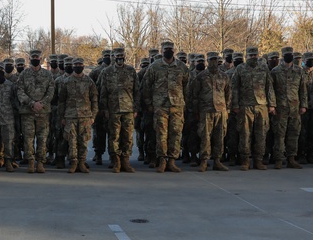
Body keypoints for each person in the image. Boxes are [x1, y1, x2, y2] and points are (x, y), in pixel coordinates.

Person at [140, 41, 189, 173]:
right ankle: (161, 160)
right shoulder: (154, 67)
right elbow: (146, 86)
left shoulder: (181, 67)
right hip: (160, 106)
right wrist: (149, 103)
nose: (168, 51)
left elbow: (187, 86)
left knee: (176, 134)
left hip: (177, 106)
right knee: (161, 134)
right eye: (166, 49)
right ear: (161, 51)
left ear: (174, 50)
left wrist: (185, 103)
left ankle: (172, 161)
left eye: (170, 49)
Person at [231, 46, 276, 170]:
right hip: (245, 106)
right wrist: (235, 105)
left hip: (262, 106)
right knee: (245, 134)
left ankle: (258, 160)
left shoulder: (264, 68)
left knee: (261, 134)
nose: (253, 57)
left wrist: (272, 104)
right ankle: (245, 161)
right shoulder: (240, 68)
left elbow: (269, 87)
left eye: (255, 55)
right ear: (246, 56)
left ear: (258, 55)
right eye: (250, 55)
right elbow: (234, 88)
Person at [188, 52, 231, 172]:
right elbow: (194, 95)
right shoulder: (201, 77)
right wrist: (196, 110)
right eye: (211, 59)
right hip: (205, 110)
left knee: (220, 136)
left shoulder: (224, 76)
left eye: (215, 59)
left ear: (218, 60)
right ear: (207, 61)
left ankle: (217, 160)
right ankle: (204, 161)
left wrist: (227, 108)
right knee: (205, 136)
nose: (213, 62)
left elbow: (228, 93)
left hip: (220, 110)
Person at [98, 46, 139, 172]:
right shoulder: (107, 72)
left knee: (127, 136)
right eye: (117, 56)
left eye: (122, 56)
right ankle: (116, 161)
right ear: (113, 57)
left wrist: (136, 107)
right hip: (113, 109)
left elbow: (137, 90)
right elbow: (103, 92)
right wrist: (104, 108)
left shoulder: (131, 71)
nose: (120, 58)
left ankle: (125, 161)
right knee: (114, 136)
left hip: (128, 109)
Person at [15, 49, 55, 173]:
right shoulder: (24, 74)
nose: (35, 59)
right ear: (29, 59)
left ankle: (40, 162)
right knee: (28, 138)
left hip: (43, 111)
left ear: (41, 59)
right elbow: (19, 90)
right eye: (33, 57)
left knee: (43, 138)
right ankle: (31, 162)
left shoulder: (48, 75)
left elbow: (51, 91)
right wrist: (32, 103)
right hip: (28, 111)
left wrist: (41, 103)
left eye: (37, 57)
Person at [270, 46, 308, 169]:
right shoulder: (275, 71)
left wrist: (303, 105)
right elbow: (271, 90)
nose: (289, 56)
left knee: (294, 133)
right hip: (280, 108)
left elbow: (303, 90)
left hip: (295, 108)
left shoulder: (299, 71)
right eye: (286, 54)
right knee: (279, 134)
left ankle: (291, 158)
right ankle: (279, 159)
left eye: (290, 54)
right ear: (283, 56)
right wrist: (272, 106)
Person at [58, 57, 97, 173]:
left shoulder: (89, 82)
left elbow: (94, 99)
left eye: (80, 64)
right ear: (73, 66)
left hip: (85, 116)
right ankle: (74, 163)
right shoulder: (66, 81)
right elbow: (61, 101)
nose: (78, 66)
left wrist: (93, 116)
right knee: (72, 141)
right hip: (70, 116)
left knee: (84, 141)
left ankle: (82, 163)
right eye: (76, 64)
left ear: (83, 66)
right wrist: (62, 117)